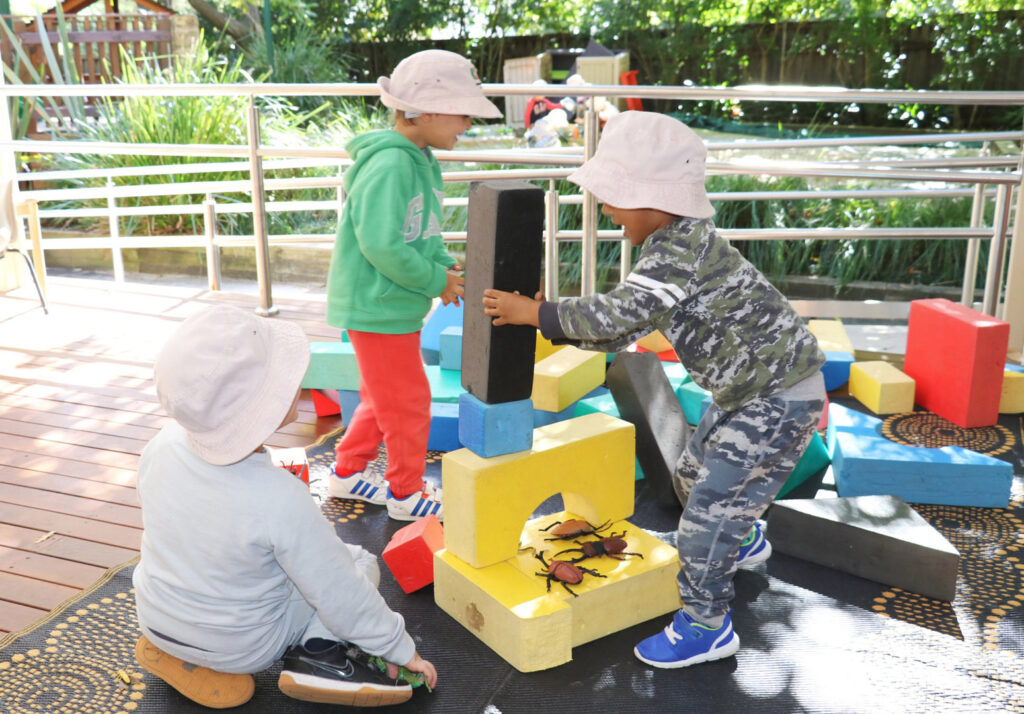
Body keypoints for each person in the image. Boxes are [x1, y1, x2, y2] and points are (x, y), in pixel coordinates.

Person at [482, 111, 826, 669]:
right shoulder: (676, 243)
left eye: (613, 198)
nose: (607, 209)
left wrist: (537, 312)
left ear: (653, 198)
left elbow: (620, 313)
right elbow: (628, 328)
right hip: (749, 393)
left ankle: (706, 626)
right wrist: (547, 319)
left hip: (776, 398)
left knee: (702, 525)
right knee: (691, 478)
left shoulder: (676, 251)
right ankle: (737, 534)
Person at [133, 305, 438, 708]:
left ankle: (181, 653)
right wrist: (400, 649)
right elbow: (341, 591)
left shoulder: (159, 447)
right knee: (358, 563)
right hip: (247, 646)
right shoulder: (277, 497)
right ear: (264, 406)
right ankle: (316, 655)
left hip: (157, 617)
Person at [325, 49, 501, 522]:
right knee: (409, 402)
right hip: (376, 307)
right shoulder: (392, 165)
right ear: (425, 110)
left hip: (391, 305)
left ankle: (347, 471)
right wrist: (434, 281)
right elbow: (380, 244)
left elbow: (422, 232)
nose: (467, 124)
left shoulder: (421, 159)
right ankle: (404, 494)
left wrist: (447, 269)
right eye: (463, 113)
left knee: (385, 397)